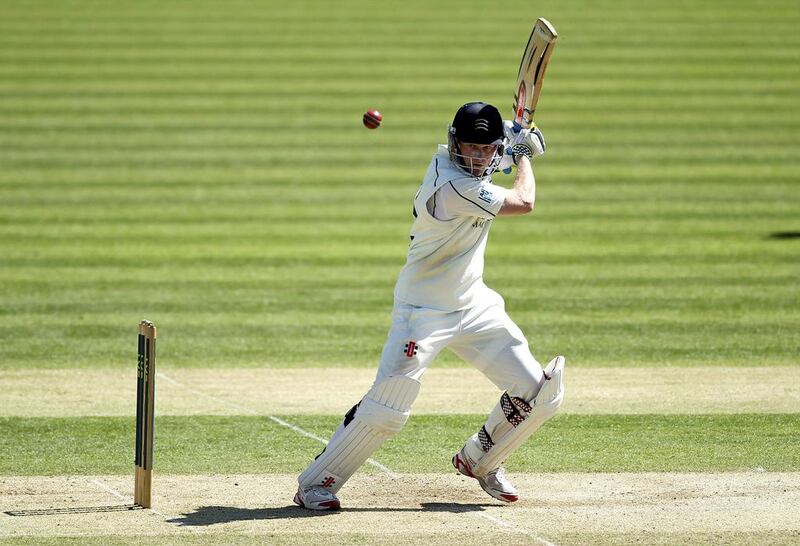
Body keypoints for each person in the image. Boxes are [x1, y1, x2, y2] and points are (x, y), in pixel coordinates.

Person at [293, 102, 565, 510]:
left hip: (475, 306)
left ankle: (480, 460)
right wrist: (523, 154)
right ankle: (315, 483)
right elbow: (524, 201)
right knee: (389, 403)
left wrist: (511, 142)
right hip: (422, 312)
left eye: (483, 149)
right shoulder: (451, 184)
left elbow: (495, 159)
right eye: (467, 147)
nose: (474, 156)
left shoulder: (480, 165)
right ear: (453, 143)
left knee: (539, 391)